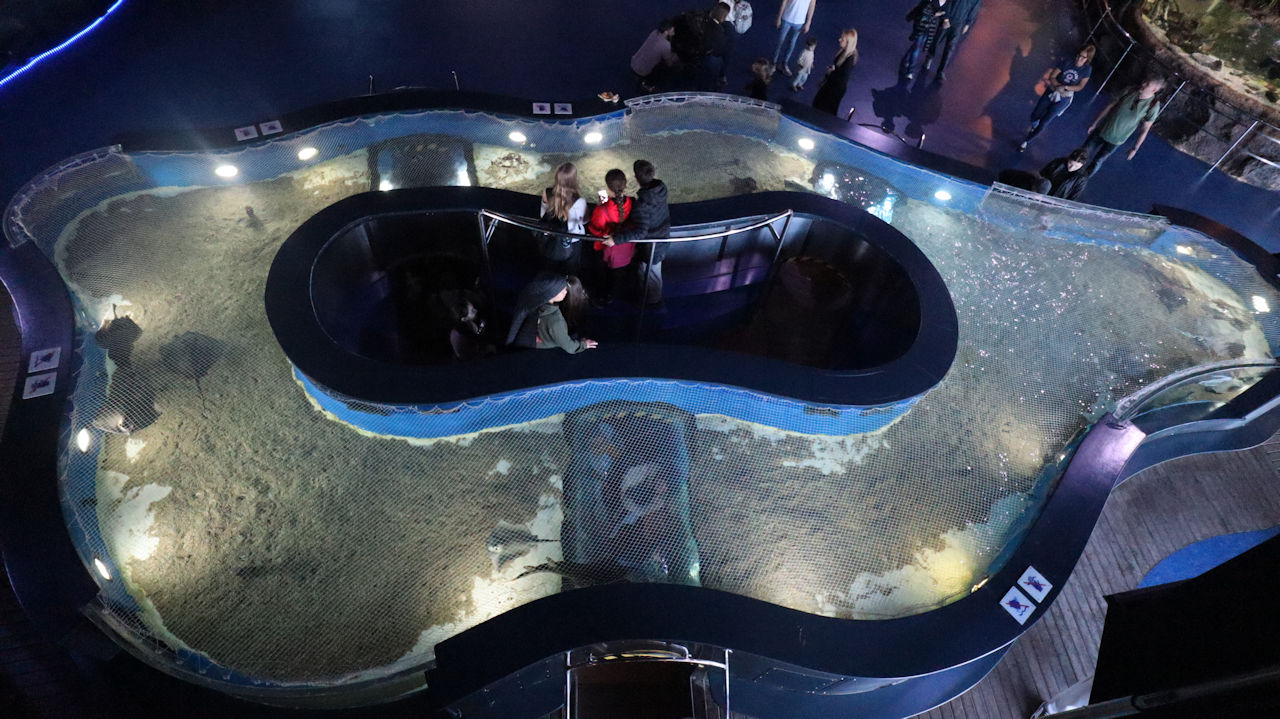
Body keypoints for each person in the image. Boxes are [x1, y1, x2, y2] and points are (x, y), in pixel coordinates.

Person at [603, 159, 671, 306]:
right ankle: (648, 298)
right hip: (663, 237)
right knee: (649, 272)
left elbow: (640, 232)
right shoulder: (660, 189)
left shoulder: (641, 205)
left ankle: (652, 304)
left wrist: (615, 239)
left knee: (650, 274)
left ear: (635, 177)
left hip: (652, 247)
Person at [1082, 74, 1165, 175]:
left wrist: (1135, 148)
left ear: (1154, 90)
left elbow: (1145, 129)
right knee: (1083, 153)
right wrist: (1095, 123)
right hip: (1102, 129)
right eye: (1145, 81)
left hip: (1117, 140)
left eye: (1147, 84)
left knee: (1097, 161)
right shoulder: (1130, 90)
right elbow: (1110, 106)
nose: (1143, 84)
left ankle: (1082, 180)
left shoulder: (1153, 106)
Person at [1020, 44, 1095, 151]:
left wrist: (1065, 87)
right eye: (1079, 55)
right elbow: (1053, 76)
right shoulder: (1068, 61)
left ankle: (1026, 141)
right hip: (1052, 90)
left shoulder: (1087, 69)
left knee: (1045, 122)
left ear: (1087, 59)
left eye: (1083, 57)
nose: (1079, 59)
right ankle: (1034, 124)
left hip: (1064, 97)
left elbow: (1080, 86)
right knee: (1035, 114)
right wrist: (1057, 86)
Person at [505, 272, 599, 354]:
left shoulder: (537, 303)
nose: (565, 291)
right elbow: (568, 346)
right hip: (535, 342)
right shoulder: (555, 320)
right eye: (562, 290)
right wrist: (584, 344)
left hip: (529, 336)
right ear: (551, 294)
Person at [587, 169, 635, 304]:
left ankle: (603, 296)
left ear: (608, 187)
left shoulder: (602, 210)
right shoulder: (632, 202)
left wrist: (599, 207)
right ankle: (614, 294)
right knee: (618, 274)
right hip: (625, 247)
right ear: (625, 184)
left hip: (605, 249)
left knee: (602, 273)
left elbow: (594, 229)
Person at [539, 162, 587, 272]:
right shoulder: (579, 201)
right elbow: (584, 221)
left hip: (551, 237)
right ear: (574, 180)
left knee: (550, 267)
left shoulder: (547, 192)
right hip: (572, 241)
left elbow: (542, 215)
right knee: (570, 270)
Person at [930, 0, 981, 81]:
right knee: (936, 40)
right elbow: (948, 2)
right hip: (948, 18)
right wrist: (945, 19)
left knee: (950, 47)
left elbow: (974, 10)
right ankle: (929, 57)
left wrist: (967, 24)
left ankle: (941, 71)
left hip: (959, 24)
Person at [900, 0, 950, 82]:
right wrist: (935, 14)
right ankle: (910, 71)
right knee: (917, 47)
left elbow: (945, 15)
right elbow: (923, 9)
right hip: (921, 24)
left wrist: (945, 21)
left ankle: (907, 59)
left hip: (930, 28)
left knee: (917, 45)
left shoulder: (946, 4)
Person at [812, 29, 858, 116]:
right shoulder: (843, 52)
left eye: (842, 39)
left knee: (825, 109)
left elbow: (842, 78)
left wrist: (830, 73)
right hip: (831, 84)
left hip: (835, 89)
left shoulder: (849, 59)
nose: (839, 40)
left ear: (848, 43)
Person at [631, 19, 679, 93]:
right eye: (672, 31)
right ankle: (646, 85)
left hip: (633, 62)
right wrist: (675, 57)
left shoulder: (654, 32)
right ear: (666, 32)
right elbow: (669, 63)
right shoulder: (666, 45)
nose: (674, 33)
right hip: (643, 72)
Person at [771, 0, 816, 77]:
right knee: (780, 42)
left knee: (792, 43)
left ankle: (784, 63)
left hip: (799, 21)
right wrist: (779, 17)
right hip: (787, 18)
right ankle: (773, 63)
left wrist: (808, 22)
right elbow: (784, 2)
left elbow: (812, 6)